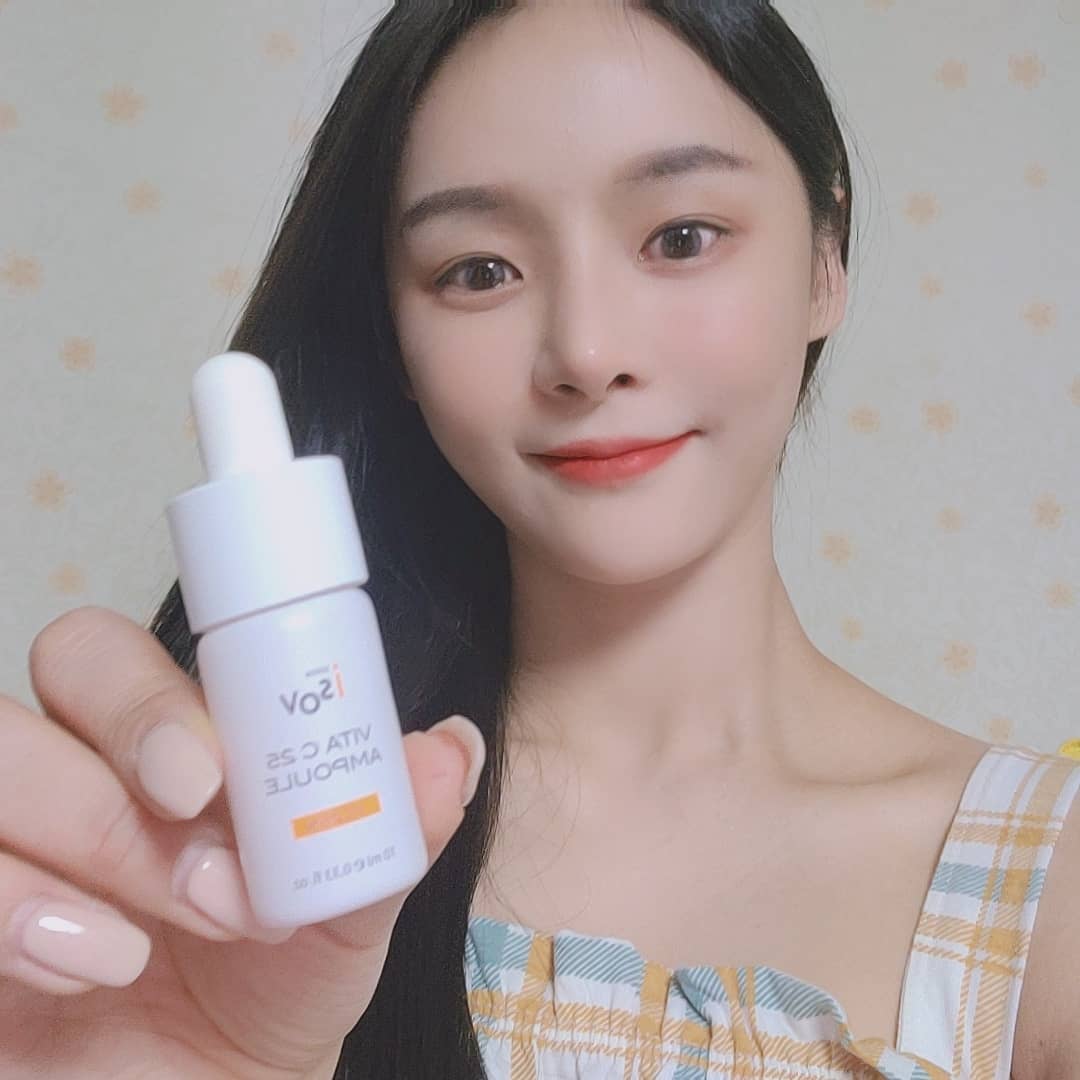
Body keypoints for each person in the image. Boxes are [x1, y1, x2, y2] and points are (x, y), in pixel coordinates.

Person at [1, 2, 1077, 1077]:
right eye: (479, 271)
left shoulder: (1045, 893)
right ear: (397, 338)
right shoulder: (274, 856)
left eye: (681, 238)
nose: (586, 352)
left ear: (825, 259)